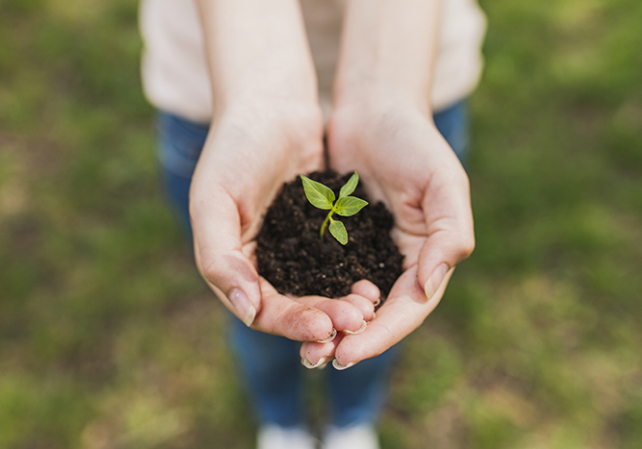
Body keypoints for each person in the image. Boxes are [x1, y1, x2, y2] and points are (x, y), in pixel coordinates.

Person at [139, 0, 485, 447]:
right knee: (253, 306)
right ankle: (281, 422)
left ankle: (353, 421)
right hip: (214, 89)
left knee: (376, 318)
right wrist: (259, 94)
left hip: (416, 69)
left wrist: (388, 94)